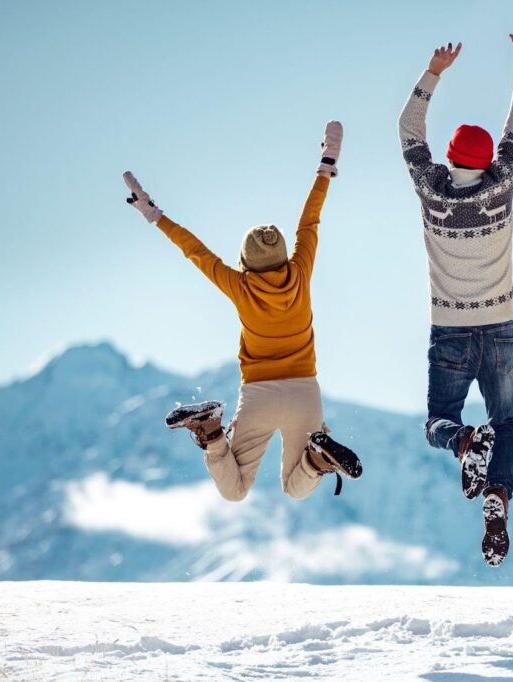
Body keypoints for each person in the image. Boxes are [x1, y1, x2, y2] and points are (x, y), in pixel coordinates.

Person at [122, 121, 363, 502]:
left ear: (246, 264)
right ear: (283, 256)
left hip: (258, 395)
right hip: (304, 391)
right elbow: (309, 220)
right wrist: (326, 163)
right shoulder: (299, 271)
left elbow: (196, 251)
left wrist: (153, 213)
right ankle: (317, 458)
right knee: (296, 489)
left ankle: (212, 432)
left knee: (235, 490)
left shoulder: (240, 286)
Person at [398, 17, 513, 567]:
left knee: (439, 420)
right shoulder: (502, 185)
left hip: (449, 330)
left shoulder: (431, 189)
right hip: (500, 327)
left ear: (450, 158)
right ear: (485, 163)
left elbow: (408, 129)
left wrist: (433, 72)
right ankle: (498, 496)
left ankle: (461, 444)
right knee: (508, 425)